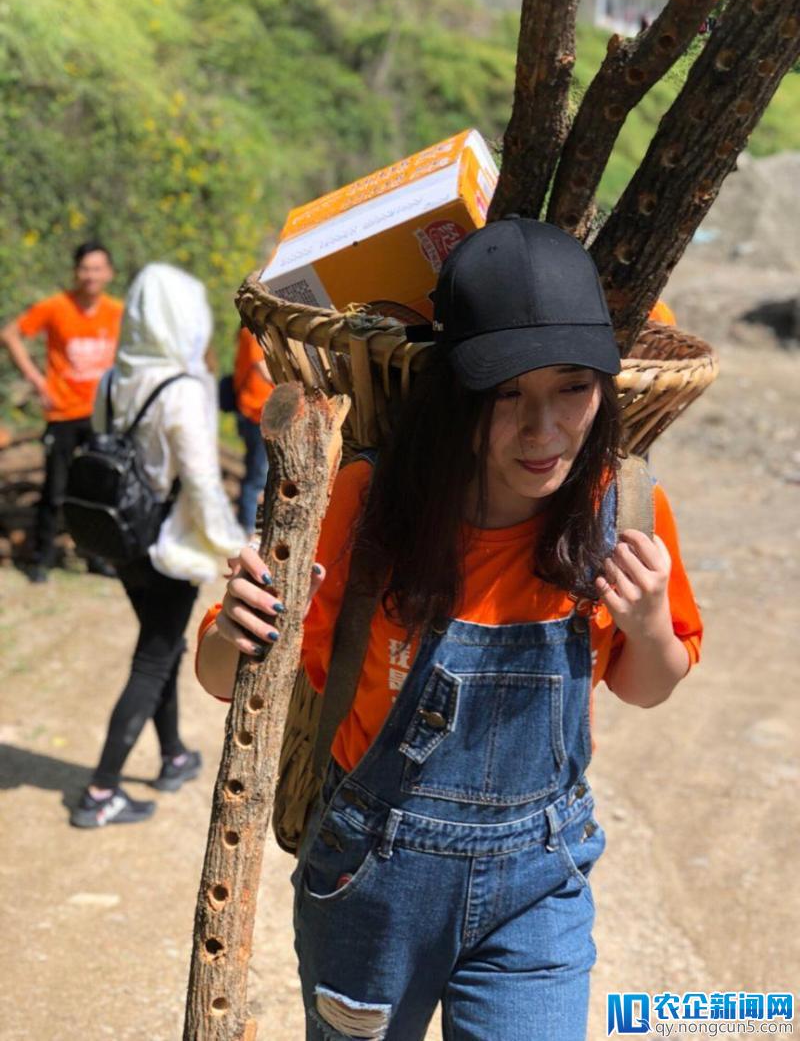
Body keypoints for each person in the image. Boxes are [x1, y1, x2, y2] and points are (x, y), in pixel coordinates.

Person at [195, 219, 703, 1039]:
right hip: (370, 883)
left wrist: (648, 626)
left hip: (542, 883)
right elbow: (225, 677)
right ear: (453, 395)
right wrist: (242, 628)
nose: (543, 431)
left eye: (573, 386)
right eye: (506, 395)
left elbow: (647, 687)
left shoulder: (625, 510)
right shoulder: (364, 506)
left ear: (607, 388)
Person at [71, 263, 246, 829]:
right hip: (167, 546)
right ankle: (100, 793)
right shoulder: (183, 388)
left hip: (120, 536)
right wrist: (235, 547)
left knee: (161, 648)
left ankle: (172, 755)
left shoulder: (111, 379)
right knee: (153, 658)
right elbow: (200, 482)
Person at [0, 241, 123, 582]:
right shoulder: (56, 307)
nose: (91, 275)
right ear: (75, 272)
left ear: (109, 273)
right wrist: (37, 380)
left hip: (101, 413)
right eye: (85, 268)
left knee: (98, 489)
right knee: (56, 489)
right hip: (63, 412)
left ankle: (95, 557)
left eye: (98, 268)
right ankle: (42, 557)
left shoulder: (116, 311)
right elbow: (10, 334)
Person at [232, 325, 273, 534]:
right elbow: (261, 366)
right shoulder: (253, 333)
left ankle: (244, 525)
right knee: (257, 477)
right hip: (256, 412)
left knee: (255, 474)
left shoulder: (251, 333)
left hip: (257, 412)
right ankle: (245, 531)